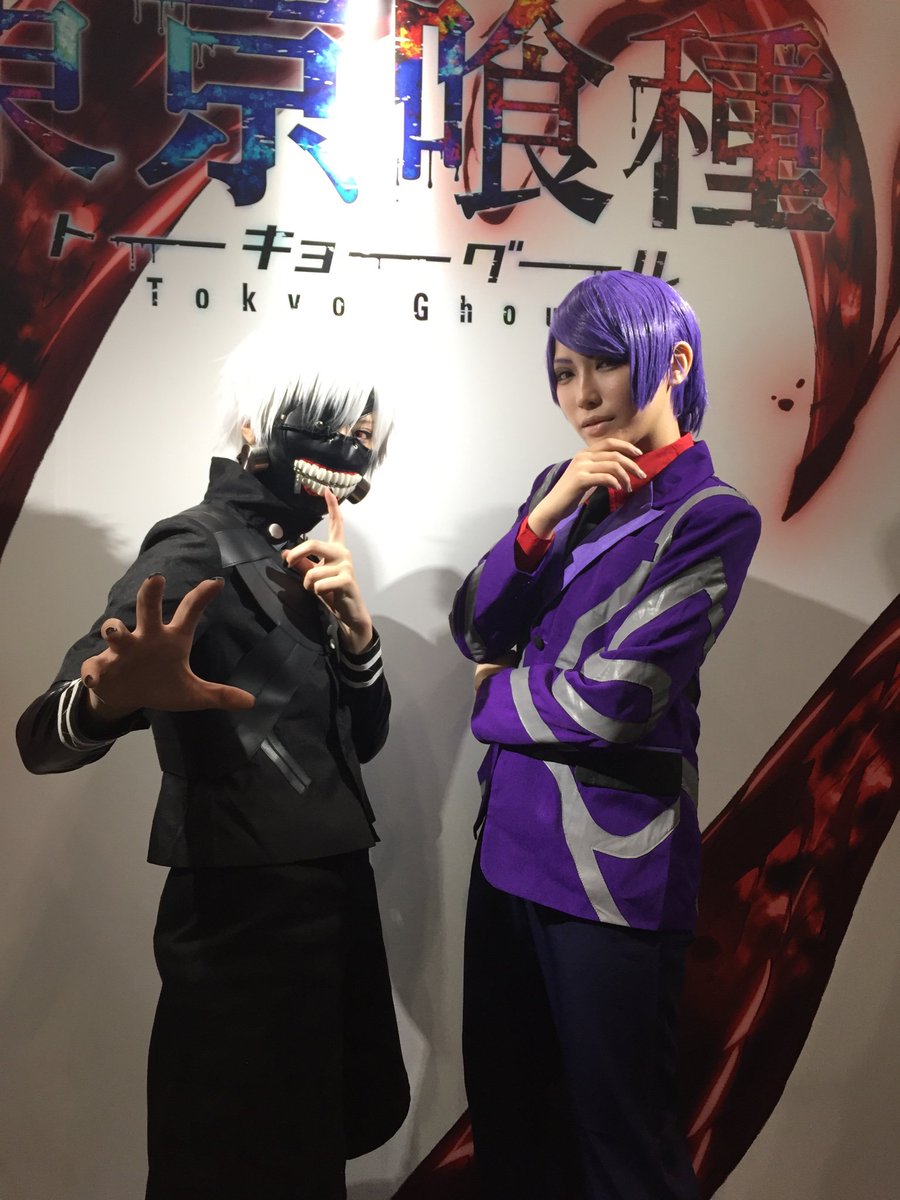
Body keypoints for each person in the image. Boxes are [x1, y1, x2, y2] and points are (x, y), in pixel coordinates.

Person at [16, 333, 409, 1200]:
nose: (350, 451)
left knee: (306, 1156)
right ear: (256, 423)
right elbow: (42, 734)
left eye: (364, 436)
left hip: (328, 904)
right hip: (241, 926)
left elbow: (361, 742)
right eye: (328, 423)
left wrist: (358, 635)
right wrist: (110, 697)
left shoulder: (304, 556)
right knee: (225, 1160)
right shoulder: (194, 546)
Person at [449, 270, 761, 1199]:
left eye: (603, 367)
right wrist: (541, 518)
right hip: (507, 850)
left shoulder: (713, 516)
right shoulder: (563, 490)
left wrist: (492, 702)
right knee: (509, 1126)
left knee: (621, 1143)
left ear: (673, 362)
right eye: (563, 372)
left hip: (610, 871)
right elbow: (475, 629)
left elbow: (615, 700)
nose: (582, 397)